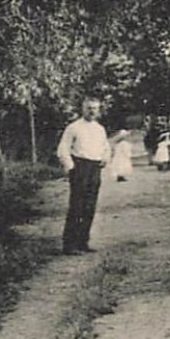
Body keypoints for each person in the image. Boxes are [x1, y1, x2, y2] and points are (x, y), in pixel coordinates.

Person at [56, 98, 109, 255]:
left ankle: (83, 242)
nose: (92, 111)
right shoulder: (73, 128)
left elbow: (105, 147)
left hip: (95, 168)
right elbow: (62, 150)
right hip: (80, 167)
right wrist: (71, 168)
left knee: (90, 206)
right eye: (89, 108)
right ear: (82, 109)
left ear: (99, 111)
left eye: (95, 108)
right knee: (77, 206)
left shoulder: (100, 129)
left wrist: (105, 158)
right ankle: (69, 244)